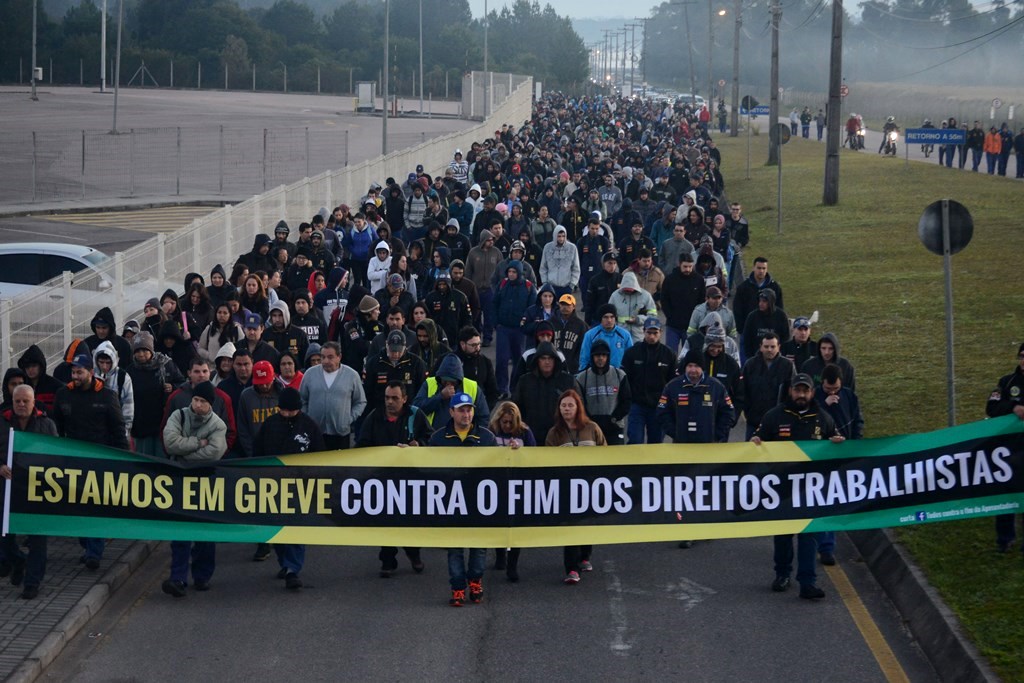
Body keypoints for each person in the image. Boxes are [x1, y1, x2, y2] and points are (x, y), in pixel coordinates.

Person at [752, 373, 844, 600]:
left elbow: (835, 441)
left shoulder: (823, 418)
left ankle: (807, 582)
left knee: (808, 536)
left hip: (810, 490)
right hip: (781, 488)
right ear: (790, 391)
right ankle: (782, 575)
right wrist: (755, 442)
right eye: (797, 390)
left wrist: (837, 443)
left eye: (805, 390)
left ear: (812, 392)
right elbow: (758, 441)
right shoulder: (774, 416)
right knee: (783, 535)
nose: (801, 395)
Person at [54, 352, 129, 570]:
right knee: (77, 507)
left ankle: (94, 552)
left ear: (91, 373)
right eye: (73, 372)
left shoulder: (107, 396)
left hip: (100, 462)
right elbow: (57, 427)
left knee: (95, 507)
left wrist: (122, 460)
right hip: (73, 461)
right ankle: (87, 544)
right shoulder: (63, 394)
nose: (75, 376)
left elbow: (118, 429)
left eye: (80, 372)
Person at [252, 387, 326, 589]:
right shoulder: (270, 424)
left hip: (300, 486)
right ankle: (285, 563)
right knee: (278, 529)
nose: (286, 415)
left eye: (290, 411)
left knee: (295, 529)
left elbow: (321, 456)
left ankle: (293, 569)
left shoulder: (309, 427)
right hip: (273, 485)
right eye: (283, 410)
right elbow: (257, 451)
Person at [428, 392, 498, 606]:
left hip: (478, 503)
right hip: (451, 502)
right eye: (461, 410)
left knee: (478, 546)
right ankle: (458, 587)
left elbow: (498, 467)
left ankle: (475, 580)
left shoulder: (486, 437)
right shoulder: (438, 438)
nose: (466, 414)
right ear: (451, 412)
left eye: (469, 410)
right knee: (455, 547)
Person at [160, 381, 228, 597]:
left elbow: (215, 452)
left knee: (204, 533)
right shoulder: (179, 416)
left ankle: (202, 576)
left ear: (211, 405)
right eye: (196, 400)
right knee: (180, 531)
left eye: (203, 402)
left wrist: (183, 454)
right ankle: (177, 578)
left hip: (205, 483)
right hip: (180, 481)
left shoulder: (218, 426)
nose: (197, 405)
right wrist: (199, 443)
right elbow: (170, 443)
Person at [357, 381, 431, 577]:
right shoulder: (374, 417)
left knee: (410, 521)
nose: (390, 402)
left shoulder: (416, 415)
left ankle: (414, 554)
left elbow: (431, 439)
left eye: (395, 398)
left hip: (410, 480)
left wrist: (419, 445)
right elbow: (362, 444)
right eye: (387, 398)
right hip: (382, 480)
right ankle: (388, 560)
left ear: (404, 399)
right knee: (385, 521)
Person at [0, 385, 58, 599]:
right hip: (7, 492)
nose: (22, 405)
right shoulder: (2, 423)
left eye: (26, 401)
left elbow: (56, 457)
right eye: (18, 401)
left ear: (34, 402)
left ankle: (32, 583)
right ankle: (18, 560)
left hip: (37, 492)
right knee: (4, 538)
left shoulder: (46, 425)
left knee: (37, 540)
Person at [545, 389, 606, 584]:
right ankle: (571, 569)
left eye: (570, 405)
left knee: (587, 523)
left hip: (590, 485)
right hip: (566, 487)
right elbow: (545, 461)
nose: (567, 409)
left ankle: (585, 556)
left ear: (578, 407)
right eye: (563, 406)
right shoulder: (554, 433)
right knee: (570, 528)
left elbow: (606, 453)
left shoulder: (592, 428)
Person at [986, 342, 1024, 554]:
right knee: (1005, 494)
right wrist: (1013, 407)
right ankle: (1005, 539)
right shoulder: (1007, 382)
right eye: (1022, 356)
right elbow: (991, 408)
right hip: (1010, 450)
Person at [299, 341, 366, 451]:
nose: (325, 361)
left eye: (330, 357)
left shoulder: (352, 375)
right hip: (315, 432)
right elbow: (302, 399)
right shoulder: (310, 374)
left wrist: (349, 418)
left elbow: (360, 401)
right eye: (323, 357)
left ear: (339, 357)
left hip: (340, 433)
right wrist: (308, 418)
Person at [621, 317, 678, 445]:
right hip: (637, 405)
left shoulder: (669, 354)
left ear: (660, 333)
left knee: (656, 443)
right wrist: (629, 399)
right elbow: (625, 380)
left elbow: (673, 383)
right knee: (635, 441)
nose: (652, 336)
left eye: (655, 333)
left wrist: (668, 404)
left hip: (659, 406)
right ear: (643, 331)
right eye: (649, 332)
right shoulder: (632, 353)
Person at [512, 342, 574, 445]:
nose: (547, 362)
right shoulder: (525, 381)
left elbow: (579, 407)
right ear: (537, 360)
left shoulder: (567, 381)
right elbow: (516, 409)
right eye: (543, 358)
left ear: (555, 360)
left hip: (561, 436)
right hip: (531, 436)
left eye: (550, 358)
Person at [735, 333, 795, 440]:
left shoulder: (787, 366)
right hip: (754, 421)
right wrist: (748, 412)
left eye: (773, 347)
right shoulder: (750, 365)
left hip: (779, 422)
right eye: (766, 346)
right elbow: (743, 391)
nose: (769, 350)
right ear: (760, 347)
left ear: (779, 347)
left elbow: (792, 393)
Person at [574, 339, 631, 445]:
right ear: (592, 357)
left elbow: (626, 401)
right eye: (597, 355)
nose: (600, 358)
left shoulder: (620, 375)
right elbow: (579, 403)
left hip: (615, 426)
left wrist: (614, 418)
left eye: (603, 355)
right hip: (589, 427)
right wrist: (588, 420)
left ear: (608, 357)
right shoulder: (582, 378)